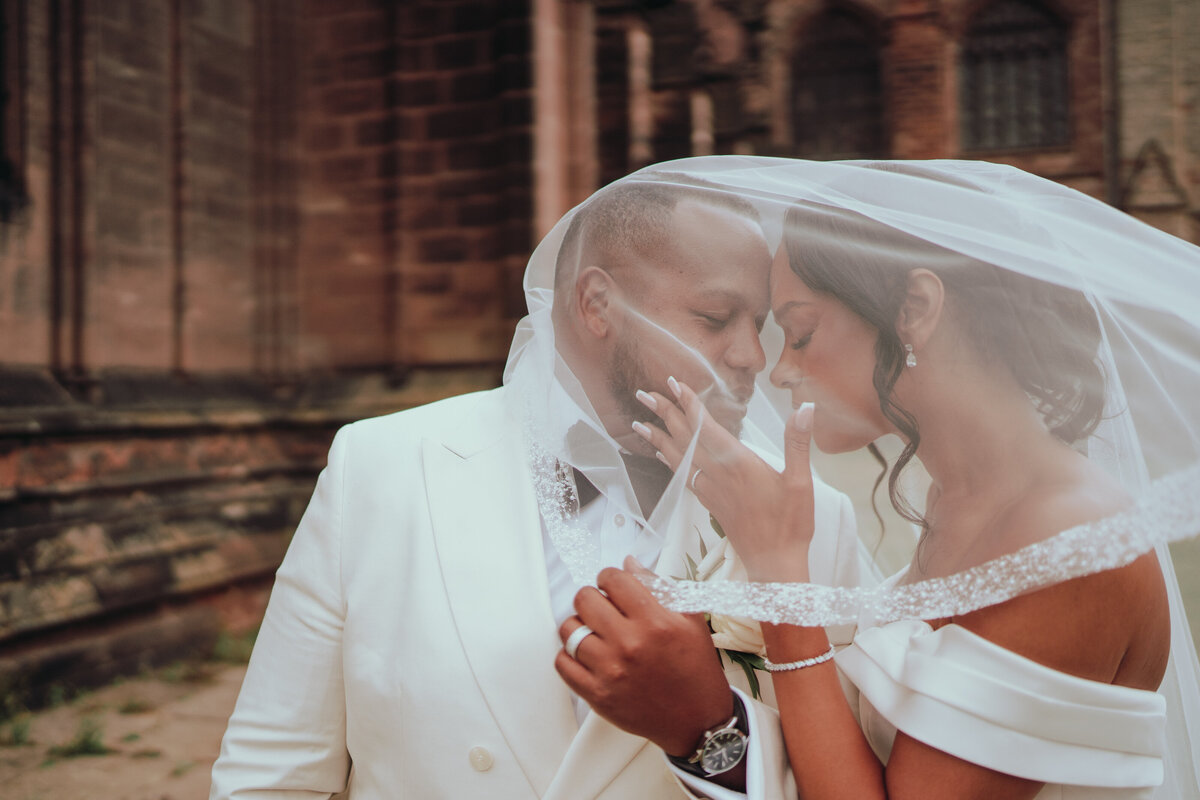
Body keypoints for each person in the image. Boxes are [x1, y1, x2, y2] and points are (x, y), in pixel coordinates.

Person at [557, 158, 1200, 799]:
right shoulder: (958, 503)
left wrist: (778, 579)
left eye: (800, 333)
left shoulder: (1065, 539)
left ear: (915, 309)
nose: (777, 370)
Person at [208, 176, 865, 799]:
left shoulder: (812, 521)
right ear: (597, 304)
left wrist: (712, 735)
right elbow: (273, 771)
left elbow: (841, 783)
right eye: (716, 317)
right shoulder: (383, 466)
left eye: (759, 323)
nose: (752, 356)